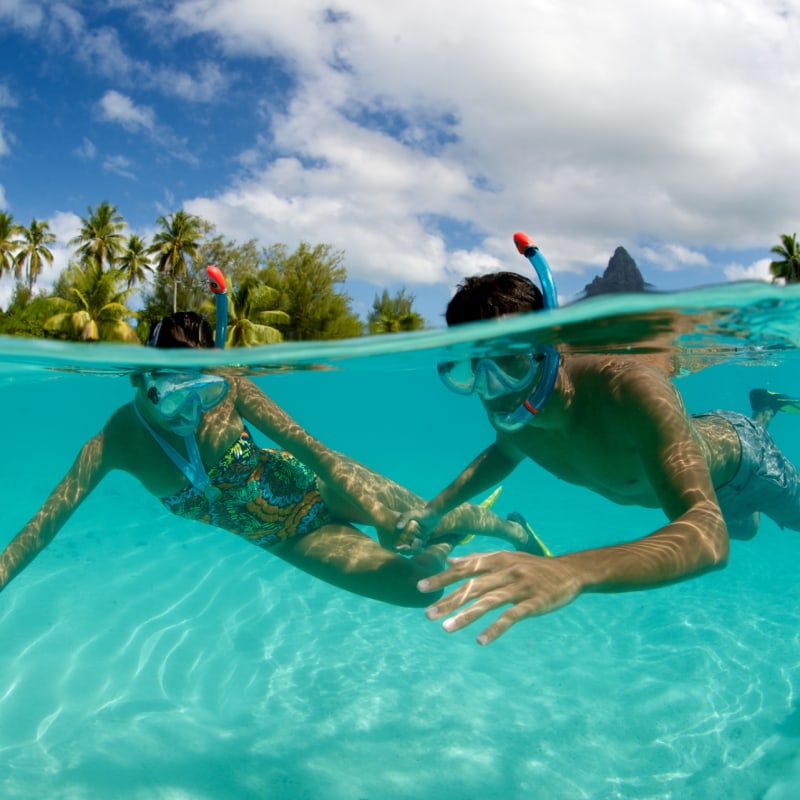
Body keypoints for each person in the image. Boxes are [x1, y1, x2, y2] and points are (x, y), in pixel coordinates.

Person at [0, 312, 538, 608]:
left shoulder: (231, 386)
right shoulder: (115, 441)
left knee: (429, 513)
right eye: (173, 393)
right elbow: (43, 525)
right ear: (142, 378)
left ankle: (510, 529)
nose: (191, 410)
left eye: (203, 392)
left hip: (320, 484)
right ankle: (441, 546)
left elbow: (312, 448)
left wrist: (376, 513)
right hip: (288, 537)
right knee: (417, 590)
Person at [395, 270, 800, 643]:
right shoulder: (511, 412)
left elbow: (708, 537)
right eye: (470, 369)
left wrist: (570, 571)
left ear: (547, 348)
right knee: (748, 529)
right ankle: (764, 408)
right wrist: (434, 511)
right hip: (707, 494)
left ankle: (761, 420)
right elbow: (504, 451)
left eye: (508, 362)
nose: (493, 389)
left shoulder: (630, 389)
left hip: (749, 465)